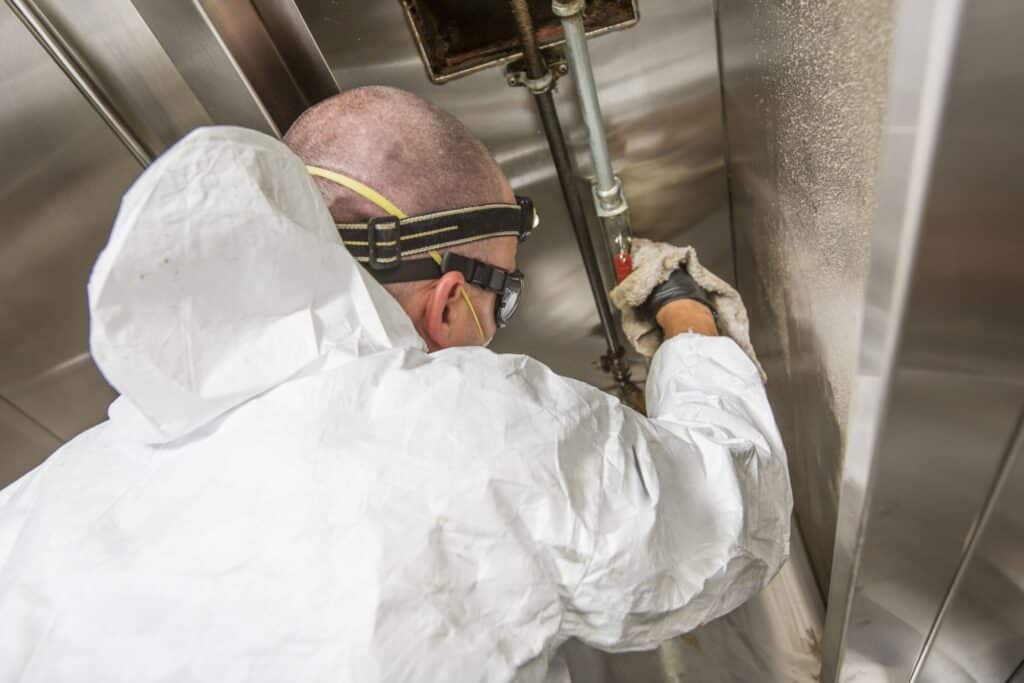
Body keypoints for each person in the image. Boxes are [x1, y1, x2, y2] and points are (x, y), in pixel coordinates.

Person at [0, 87, 790, 683]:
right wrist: (682, 315)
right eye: (501, 299)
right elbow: (730, 518)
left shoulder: (47, 495)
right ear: (448, 303)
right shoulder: (468, 427)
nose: (498, 324)